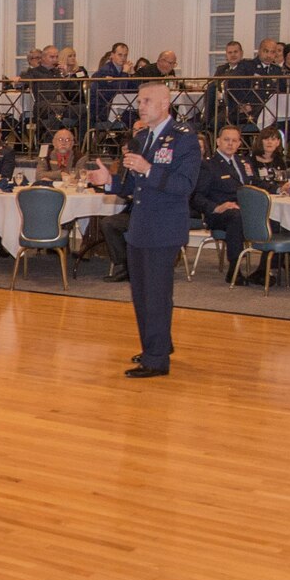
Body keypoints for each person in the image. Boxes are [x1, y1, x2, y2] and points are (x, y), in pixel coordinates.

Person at [88, 82, 201, 379]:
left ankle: (156, 359)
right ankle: (156, 345)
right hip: (139, 226)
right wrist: (108, 181)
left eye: (147, 101)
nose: (141, 106)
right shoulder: (141, 137)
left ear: (165, 104)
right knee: (141, 293)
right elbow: (129, 186)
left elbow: (184, 186)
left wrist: (149, 169)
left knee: (156, 294)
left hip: (164, 227)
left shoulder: (184, 139)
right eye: (140, 101)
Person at [191, 125, 253, 278]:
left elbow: (254, 184)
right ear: (218, 141)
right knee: (236, 217)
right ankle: (235, 268)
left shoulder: (242, 163)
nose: (230, 144)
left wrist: (279, 189)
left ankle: (265, 269)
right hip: (220, 215)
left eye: (234, 140)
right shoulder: (208, 165)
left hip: (244, 210)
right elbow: (196, 197)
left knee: (275, 219)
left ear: (239, 144)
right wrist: (216, 207)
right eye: (226, 140)